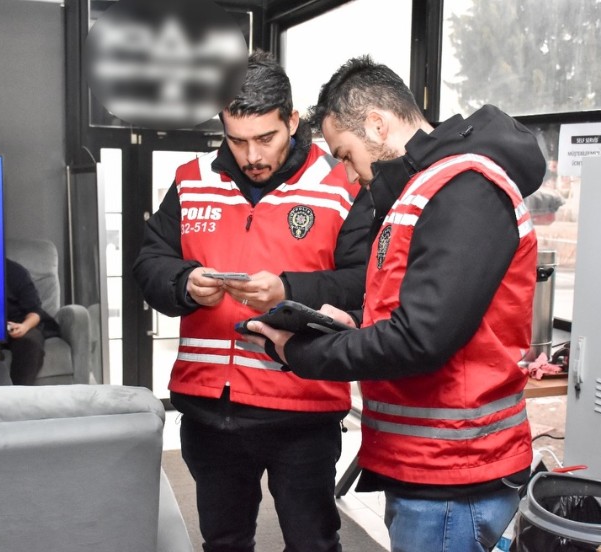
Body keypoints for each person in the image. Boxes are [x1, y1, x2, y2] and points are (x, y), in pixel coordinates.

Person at [244, 56, 546, 552]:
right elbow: (412, 313)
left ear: (378, 125)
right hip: (424, 465)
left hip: (454, 471)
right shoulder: (420, 191)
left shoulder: (464, 188)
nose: (346, 169)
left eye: (345, 153)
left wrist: (298, 353)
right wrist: (350, 322)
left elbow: (421, 339)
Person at [133, 51, 372, 552]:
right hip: (209, 412)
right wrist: (183, 282)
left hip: (303, 410)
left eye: (266, 137)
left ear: (292, 119)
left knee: (313, 543)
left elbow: (365, 285)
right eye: (237, 140)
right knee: (224, 542)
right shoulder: (191, 179)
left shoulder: (341, 182)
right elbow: (149, 262)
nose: (253, 156)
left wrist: (290, 290)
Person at [4, 258, 57, 385]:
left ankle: (18, 399)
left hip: (18, 324)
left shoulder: (15, 271)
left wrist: (24, 326)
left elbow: (35, 311)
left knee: (30, 343)